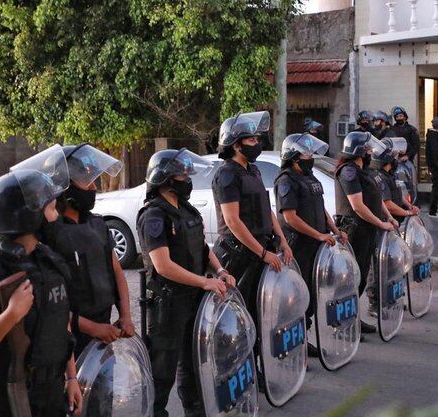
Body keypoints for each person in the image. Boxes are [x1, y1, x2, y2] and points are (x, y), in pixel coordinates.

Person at [0, 159, 83, 416]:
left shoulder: (49, 262)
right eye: (51, 210)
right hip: (4, 401)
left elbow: (60, 324)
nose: (56, 217)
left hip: (49, 395)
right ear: (29, 217)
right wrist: (11, 315)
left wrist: (71, 378)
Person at [137, 148, 235, 417]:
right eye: (182, 174)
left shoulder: (187, 210)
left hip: (192, 299)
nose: (187, 179)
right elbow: (162, 265)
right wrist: (203, 283)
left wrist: (220, 271)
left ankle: (194, 410)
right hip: (168, 303)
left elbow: (202, 248)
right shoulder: (154, 216)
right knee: (162, 370)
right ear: (166, 180)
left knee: (192, 362)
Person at [40, 144, 134, 361]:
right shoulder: (50, 233)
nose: (94, 187)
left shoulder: (98, 225)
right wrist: (91, 328)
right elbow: (47, 298)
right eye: (87, 181)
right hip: (69, 336)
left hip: (104, 329)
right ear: (65, 186)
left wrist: (126, 315)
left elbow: (117, 273)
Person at [211, 111, 293, 317]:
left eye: (257, 138)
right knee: (239, 312)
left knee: (262, 310)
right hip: (239, 254)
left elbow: (266, 208)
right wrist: (263, 253)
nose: (256, 143)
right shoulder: (227, 174)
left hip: (260, 249)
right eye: (251, 139)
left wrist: (282, 240)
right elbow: (232, 221)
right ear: (236, 145)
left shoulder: (253, 170)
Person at [275, 133, 347, 354]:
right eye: (305, 154)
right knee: (295, 296)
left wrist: (335, 230)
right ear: (293, 157)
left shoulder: (310, 177)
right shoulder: (286, 180)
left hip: (316, 246)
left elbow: (320, 207)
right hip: (299, 247)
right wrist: (318, 235)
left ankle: (303, 340)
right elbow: (290, 217)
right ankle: (288, 344)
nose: (310, 157)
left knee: (312, 295)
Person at [334, 131, 397, 334]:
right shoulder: (348, 172)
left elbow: (376, 198)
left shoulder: (364, 170)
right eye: (368, 149)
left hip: (367, 230)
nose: (371, 152)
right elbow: (358, 206)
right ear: (359, 151)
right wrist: (380, 222)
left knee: (359, 277)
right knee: (349, 279)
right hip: (354, 230)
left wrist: (388, 217)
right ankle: (342, 325)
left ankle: (353, 318)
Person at [374, 138, 420, 221]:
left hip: (397, 219)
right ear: (388, 159)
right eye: (395, 156)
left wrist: (410, 206)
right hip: (389, 220)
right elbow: (387, 204)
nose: (397, 159)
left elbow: (397, 193)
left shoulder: (390, 174)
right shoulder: (381, 177)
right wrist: (407, 213)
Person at [388, 106, 420, 195]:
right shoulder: (392, 130)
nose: (399, 118)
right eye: (397, 117)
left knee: (410, 182)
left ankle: (413, 202)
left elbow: (416, 146)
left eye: (401, 116)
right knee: (395, 182)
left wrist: (408, 156)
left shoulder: (412, 129)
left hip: (407, 161)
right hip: (394, 161)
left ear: (405, 116)